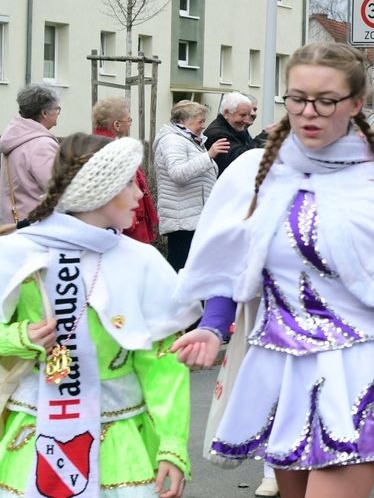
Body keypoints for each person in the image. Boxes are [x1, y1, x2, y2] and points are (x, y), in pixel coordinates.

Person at [169, 42, 374, 498]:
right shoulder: (254, 172)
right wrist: (212, 326)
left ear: (356, 104)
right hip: (279, 365)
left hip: (355, 369)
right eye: (297, 98)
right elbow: (234, 261)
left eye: (326, 100)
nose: (308, 112)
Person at [0, 133, 201, 497]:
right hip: (33, 430)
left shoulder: (141, 261)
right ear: (99, 189)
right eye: (129, 182)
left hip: (120, 437)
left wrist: (172, 444)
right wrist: (19, 338)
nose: (141, 194)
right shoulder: (16, 252)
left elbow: (162, 364)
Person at [154, 100, 225, 271]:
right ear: (185, 121)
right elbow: (178, 173)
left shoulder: (190, 140)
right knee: (181, 269)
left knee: (191, 270)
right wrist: (209, 156)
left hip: (192, 217)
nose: (203, 126)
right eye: (200, 121)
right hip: (182, 221)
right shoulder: (172, 141)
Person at [92, 97, 159, 244]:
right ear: (117, 124)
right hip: (126, 228)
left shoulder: (99, 145)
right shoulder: (112, 151)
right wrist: (131, 220)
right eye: (128, 120)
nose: (129, 124)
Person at [0, 84, 60, 227]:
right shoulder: (42, 145)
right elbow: (58, 189)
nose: (58, 113)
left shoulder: (13, 138)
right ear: (45, 113)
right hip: (34, 228)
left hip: (10, 226)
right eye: (57, 109)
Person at [204, 91, 257, 175]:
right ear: (226, 113)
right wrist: (263, 139)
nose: (247, 121)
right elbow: (240, 161)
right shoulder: (217, 134)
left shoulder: (236, 128)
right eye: (243, 115)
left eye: (248, 115)